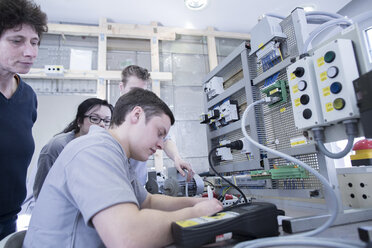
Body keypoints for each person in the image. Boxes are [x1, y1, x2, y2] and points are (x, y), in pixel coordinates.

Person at [23, 88, 223, 247]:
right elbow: (128, 238)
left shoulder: (118, 155)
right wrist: (198, 214)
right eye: (159, 132)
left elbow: (148, 201)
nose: (162, 144)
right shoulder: (95, 150)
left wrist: (195, 202)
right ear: (136, 115)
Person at [0, 0, 47, 240]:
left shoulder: (27, 97)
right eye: (16, 40)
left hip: (8, 219)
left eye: (34, 42)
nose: (30, 52)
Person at [120, 65, 194, 184]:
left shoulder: (148, 117)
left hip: (138, 188)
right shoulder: (109, 118)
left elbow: (165, 140)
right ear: (121, 87)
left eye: (142, 93)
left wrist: (177, 158)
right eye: (133, 91)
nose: (137, 98)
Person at [32, 98, 114, 200]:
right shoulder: (58, 146)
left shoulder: (105, 149)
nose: (102, 124)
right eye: (94, 119)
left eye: (107, 121)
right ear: (79, 121)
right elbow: (41, 191)